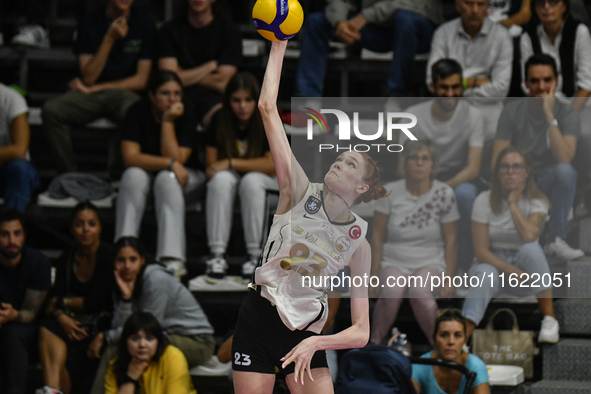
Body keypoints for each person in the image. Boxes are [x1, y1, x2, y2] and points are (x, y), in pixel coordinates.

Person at [232, 40, 390, 393]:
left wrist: (316, 343)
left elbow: (361, 332)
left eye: (351, 164)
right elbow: (266, 107)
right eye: (340, 157)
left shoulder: (359, 244)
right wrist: (279, 44)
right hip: (259, 318)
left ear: (361, 188)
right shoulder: (300, 190)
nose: (339, 162)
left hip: (305, 333)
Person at [42, 0, 156, 173]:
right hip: (90, 95)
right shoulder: (89, 22)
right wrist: (109, 38)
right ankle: (70, 175)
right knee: (51, 111)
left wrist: (99, 88)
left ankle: (117, 178)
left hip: (125, 93)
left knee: (134, 111)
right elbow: (89, 77)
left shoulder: (145, 24)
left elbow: (141, 80)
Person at [88, 237, 214, 394]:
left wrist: (105, 336)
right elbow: (126, 329)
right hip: (162, 334)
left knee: (119, 348)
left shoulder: (155, 279)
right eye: (121, 260)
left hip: (196, 341)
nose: (127, 266)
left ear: (142, 260)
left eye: (132, 260)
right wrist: (126, 300)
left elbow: (148, 327)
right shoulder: (119, 280)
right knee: (128, 345)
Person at [463, 146, 560, 343]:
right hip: (493, 267)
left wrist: (513, 203)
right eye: (505, 167)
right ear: (497, 173)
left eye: (516, 167)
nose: (510, 172)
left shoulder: (537, 200)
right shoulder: (483, 200)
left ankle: (549, 320)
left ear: (527, 172)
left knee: (531, 249)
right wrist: (510, 270)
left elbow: (529, 235)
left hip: (524, 274)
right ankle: (462, 339)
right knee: (485, 273)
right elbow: (481, 251)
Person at [493, 54, 584, 261]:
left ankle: (554, 239)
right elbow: (497, 160)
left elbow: (564, 158)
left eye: (547, 80)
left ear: (556, 82)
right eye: (534, 81)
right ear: (525, 83)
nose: (541, 86)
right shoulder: (511, 111)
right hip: (520, 181)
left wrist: (549, 116)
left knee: (566, 172)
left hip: (549, 182)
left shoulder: (567, 113)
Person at [114, 70, 203, 278]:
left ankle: (171, 261)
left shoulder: (187, 113)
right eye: (165, 93)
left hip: (187, 179)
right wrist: (169, 163)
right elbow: (130, 157)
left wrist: (167, 121)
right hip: (152, 175)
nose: (172, 99)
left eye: (177, 93)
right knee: (132, 175)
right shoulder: (137, 111)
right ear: (152, 95)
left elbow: (180, 159)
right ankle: (124, 252)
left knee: (167, 179)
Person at [370, 139, 459, 346]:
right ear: (405, 163)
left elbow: (452, 239)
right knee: (392, 290)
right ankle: (374, 345)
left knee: (419, 290)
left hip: (431, 263)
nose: (419, 163)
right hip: (393, 261)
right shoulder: (389, 192)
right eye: (414, 158)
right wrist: (373, 276)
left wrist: (449, 279)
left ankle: (439, 346)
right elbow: (377, 237)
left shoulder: (444, 194)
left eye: (425, 159)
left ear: (433, 165)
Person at [401, 59, 483, 273]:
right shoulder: (412, 115)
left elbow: (474, 167)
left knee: (466, 195)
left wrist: (442, 188)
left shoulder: (473, 115)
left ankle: (464, 264)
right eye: (444, 88)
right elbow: (402, 167)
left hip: (458, 177)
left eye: (455, 87)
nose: (450, 94)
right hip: (420, 175)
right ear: (433, 87)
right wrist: (427, 188)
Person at [202, 72, 278, 283]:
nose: (242, 106)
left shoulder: (267, 119)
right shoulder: (220, 120)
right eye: (236, 100)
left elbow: (272, 165)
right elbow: (211, 167)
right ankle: (216, 255)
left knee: (251, 181)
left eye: (248, 100)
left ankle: (255, 256)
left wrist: (231, 162)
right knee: (220, 179)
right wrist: (226, 168)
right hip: (233, 185)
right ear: (228, 101)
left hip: (268, 186)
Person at [521, 0, 591, 216]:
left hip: (578, 103)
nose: (547, 7)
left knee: (585, 134)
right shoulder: (528, 36)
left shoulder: (579, 31)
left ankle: (583, 190)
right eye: (540, 3)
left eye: (553, 2)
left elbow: (586, 82)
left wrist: (566, 116)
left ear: (564, 6)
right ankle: (547, 196)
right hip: (541, 103)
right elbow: (527, 84)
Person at [36, 202, 115, 394]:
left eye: (91, 223)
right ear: (72, 229)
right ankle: (52, 390)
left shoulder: (110, 256)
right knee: (48, 328)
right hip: (74, 325)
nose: (86, 229)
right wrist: (61, 317)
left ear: (100, 228)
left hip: (102, 328)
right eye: (80, 224)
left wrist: (65, 303)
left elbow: (101, 301)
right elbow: (53, 300)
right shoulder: (67, 257)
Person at [294, 0, 444, 98]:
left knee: (405, 20)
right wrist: (340, 23)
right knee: (316, 22)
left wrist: (366, 16)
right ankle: (308, 104)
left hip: (417, 31)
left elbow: (419, 4)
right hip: (376, 31)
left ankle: (396, 98)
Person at [427, 0, 513, 140]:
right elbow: (431, 80)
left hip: (487, 105)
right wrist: (474, 82)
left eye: (480, 4)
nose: (474, 10)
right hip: (448, 103)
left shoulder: (502, 37)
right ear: (457, 5)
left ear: (487, 7)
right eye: (469, 3)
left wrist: (458, 89)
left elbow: (501, 88)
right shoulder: (443, 33)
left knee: (495, 129)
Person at [157, 0, 242, 134]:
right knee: (169, 111)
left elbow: (222, 82)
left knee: (222, 119)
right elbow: (168, 80)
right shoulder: (169, 30)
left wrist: (183, 74)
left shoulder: (229, 31)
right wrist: (208, 67)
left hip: (214, 97)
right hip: (179, 96)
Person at [0, 208, 51, 394]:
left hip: (29, 330)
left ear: (24, 236)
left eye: (16, 234)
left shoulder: (38, 262)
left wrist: (12, 315)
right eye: (4, 234)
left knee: (13, 334)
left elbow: (30, 313)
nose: (11, 241)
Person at [104, 312, 197, 394]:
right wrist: (130, 378)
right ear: (126, 342)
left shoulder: (172, 357)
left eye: (149, 339)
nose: (142, 345)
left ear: (158, 341)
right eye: (135, 338)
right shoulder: (116, 365)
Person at [412, 309, 490, 394]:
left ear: (465, 340)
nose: (451, 341)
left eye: (457, 335)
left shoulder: (476, 366)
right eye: (444, 335)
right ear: (434, 339)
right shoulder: (421, 365)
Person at [0, 83, 40, 212]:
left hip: (7, 171)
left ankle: (9, 227)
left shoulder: (11, 98)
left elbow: (19, 150)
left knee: (21, 170)